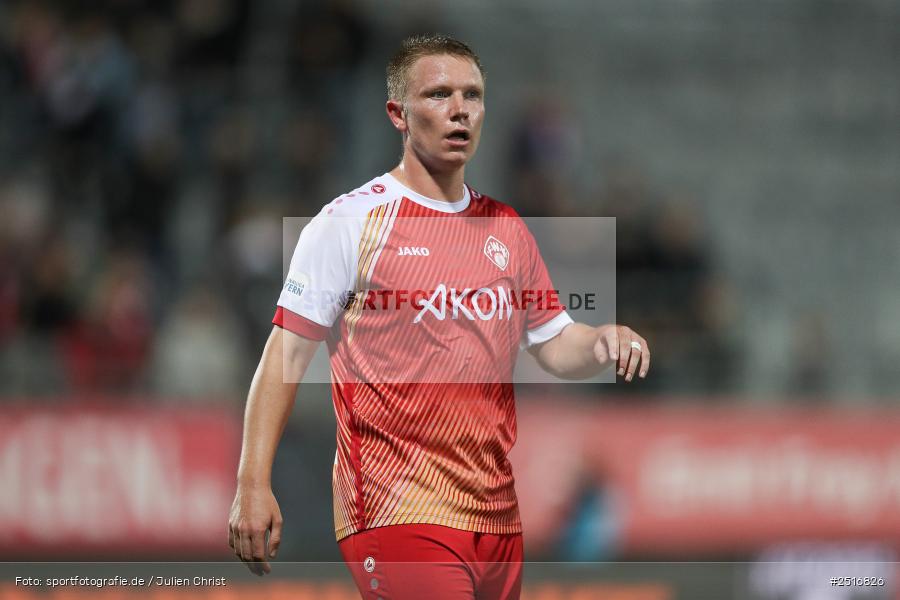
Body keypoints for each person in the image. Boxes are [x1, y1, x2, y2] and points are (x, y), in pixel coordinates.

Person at [227, 34, 650, 600]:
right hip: (397, 506)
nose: (459, 110)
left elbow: (554, 343)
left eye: (472, 95)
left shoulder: (506, 227)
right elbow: (284, 353)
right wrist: (252, 481)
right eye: (439, 94)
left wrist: (601, 339)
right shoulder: (349, 223)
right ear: (397, 114)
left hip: (495, 515)